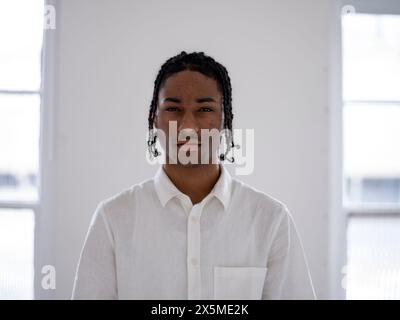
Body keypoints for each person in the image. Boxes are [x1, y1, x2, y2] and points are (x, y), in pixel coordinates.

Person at [72, 51, 316, 300]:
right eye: (174, 108)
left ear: (225, 119)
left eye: (204, 109)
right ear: (154, 118)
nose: (187, 125)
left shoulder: (271, 221)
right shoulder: (112, 220)